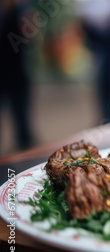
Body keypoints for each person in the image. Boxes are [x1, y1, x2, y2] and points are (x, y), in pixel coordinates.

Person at [0, 0, 34, 151]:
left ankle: (26, 152)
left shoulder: (22, 9)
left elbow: (30, 37)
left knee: (22, 118)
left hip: (16, 72)